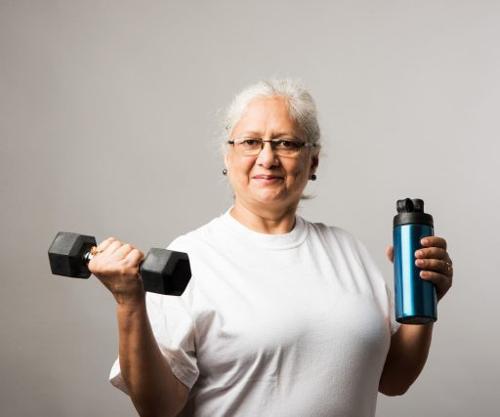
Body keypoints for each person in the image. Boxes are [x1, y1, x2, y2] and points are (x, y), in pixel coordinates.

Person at [89, 79, 454, 417]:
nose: (267, 158)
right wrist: (128, 303)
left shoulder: (348, 251)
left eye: (286, 143)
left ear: (312, 161)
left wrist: (426, 297)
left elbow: (394, 379)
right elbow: (158, 408)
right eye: (250, 142)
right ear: (227, 157)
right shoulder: (190, 257)